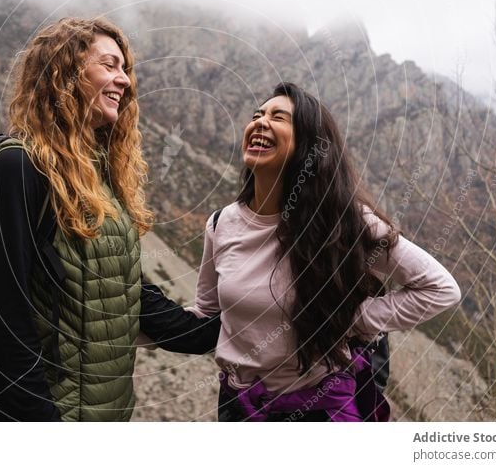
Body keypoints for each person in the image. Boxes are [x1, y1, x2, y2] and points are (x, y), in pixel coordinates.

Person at [0, 17, 219, 421]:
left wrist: (214, 331)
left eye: (125, 69)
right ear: (64, 74)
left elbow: (121, 289)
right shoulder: (16, 169)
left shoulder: (99, 174)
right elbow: (1, 321)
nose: (125, 81)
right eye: (109, 65)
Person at [190, 82, 461, 422]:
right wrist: (126, 319)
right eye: (257, 115)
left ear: (307, 146)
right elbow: (205, 312)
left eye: (278, 117)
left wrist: (354, 319)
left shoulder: (346, 221)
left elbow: (441, 289)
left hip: (318, 411)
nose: (260, 122)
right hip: (239, 409)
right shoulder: (221, 224)